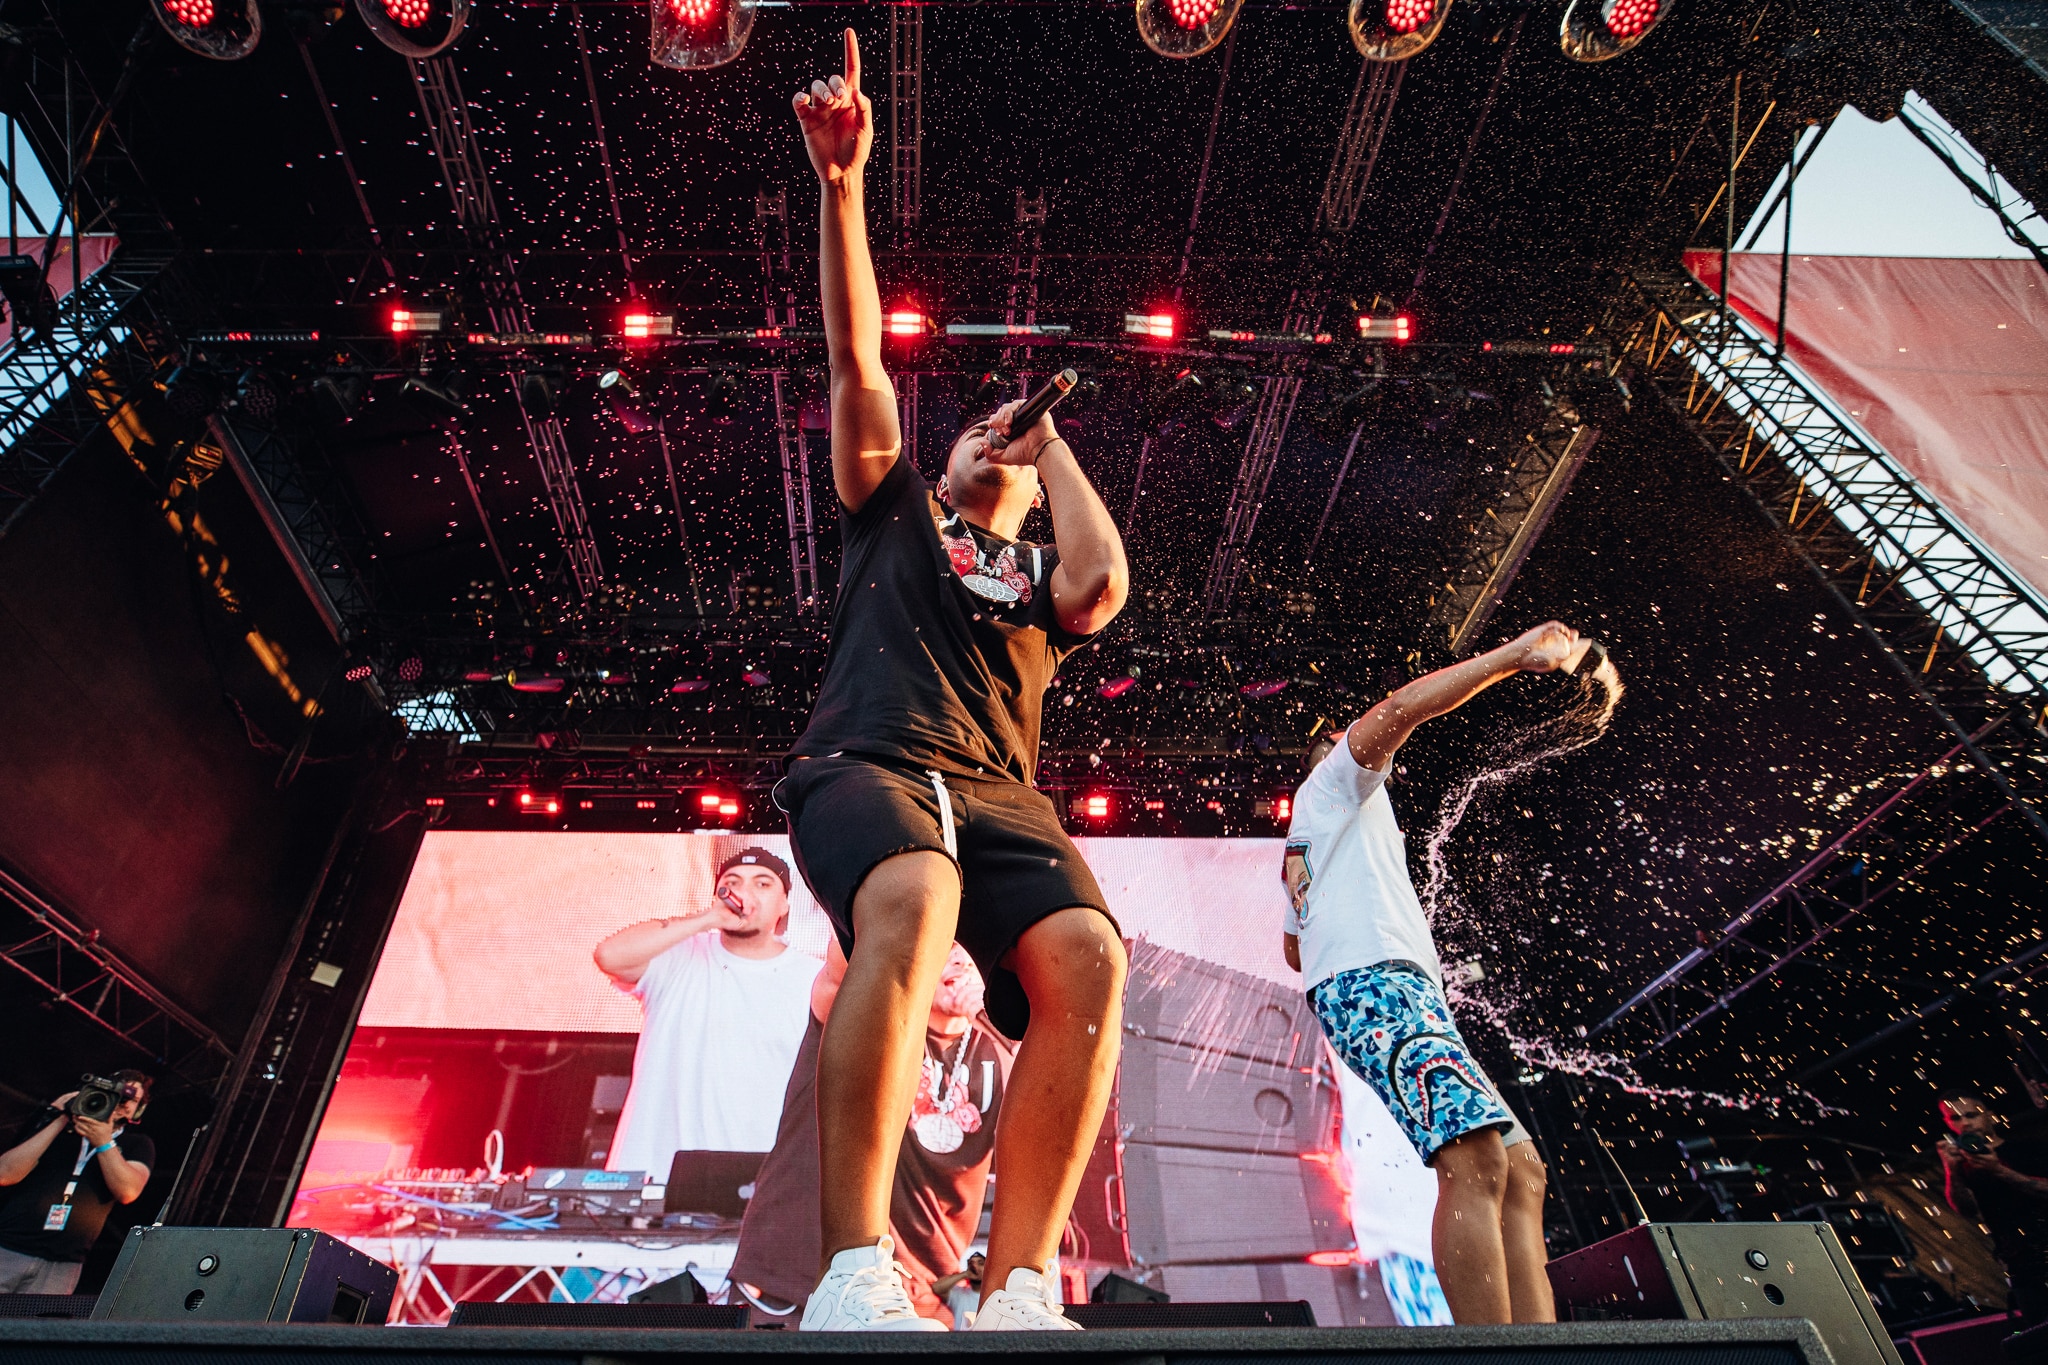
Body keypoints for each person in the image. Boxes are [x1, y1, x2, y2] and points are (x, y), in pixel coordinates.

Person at [782, 29, 1131, 1333]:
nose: (991, 434)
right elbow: (855, 360)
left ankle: (1022, 1284)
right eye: (982, 428)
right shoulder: (896, 508)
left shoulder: (1035, 576)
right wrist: (842, 188)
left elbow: (1102, 586)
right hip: (871, 767)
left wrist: (1060, 456)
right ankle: (850, 1269)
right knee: (915, 894)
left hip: (996, 792)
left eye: (1011, 440)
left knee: (1089, 956)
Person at [1282, 622, 1590, 1325]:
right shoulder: (1332, 786)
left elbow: (1294, 948)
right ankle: (1489, 1348)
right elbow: (1400, 710)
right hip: (1375, 986)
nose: (1378, 751)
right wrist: (1515, 656)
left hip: (1388, 988)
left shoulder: (1316, 834)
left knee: (1521, 1170)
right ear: (1331, 752)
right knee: (1478, 1158)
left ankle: (1544, 1347)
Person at [729, 943, 1015, 1327]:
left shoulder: (998, 1051)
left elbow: (1053, 1108)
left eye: (971, 950)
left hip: (915, 1292)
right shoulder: (866, 1020)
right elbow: (841, 967)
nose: (962, 959)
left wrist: (994, 1013)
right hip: (803, 1281)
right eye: (945, 945)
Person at [594, 848, 817, 1174]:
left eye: (763, 884)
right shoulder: (676, 958)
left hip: (762, 1182)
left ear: (785, 905)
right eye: (732, 882)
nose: (744, 892)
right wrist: (708, 919)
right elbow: (609, 956)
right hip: (656, 1179)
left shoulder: (812, 977)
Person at [0, 1072, 155, 1294]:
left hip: (64, 1262)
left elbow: (128, 1191)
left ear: (138, 1110)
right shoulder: (58, 1129)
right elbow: (5, 1174)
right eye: (117, 1094)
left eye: (131, 1099)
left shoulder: (136, 1144)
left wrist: (104, 1142)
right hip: (8, 1246)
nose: (121, 1103)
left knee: (37, 1327)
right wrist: (63, 1116)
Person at [1938, 1089, 2048, 1327]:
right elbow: (1965, 1210)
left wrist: (1999, 1171)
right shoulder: (1964, 1165)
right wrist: (1952, 1171)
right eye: (1955, 1118)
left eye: (1971, 1115)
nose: (1965, 1123)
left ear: (1989, 1115)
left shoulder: (2028, 1148)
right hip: (2021, 1265)